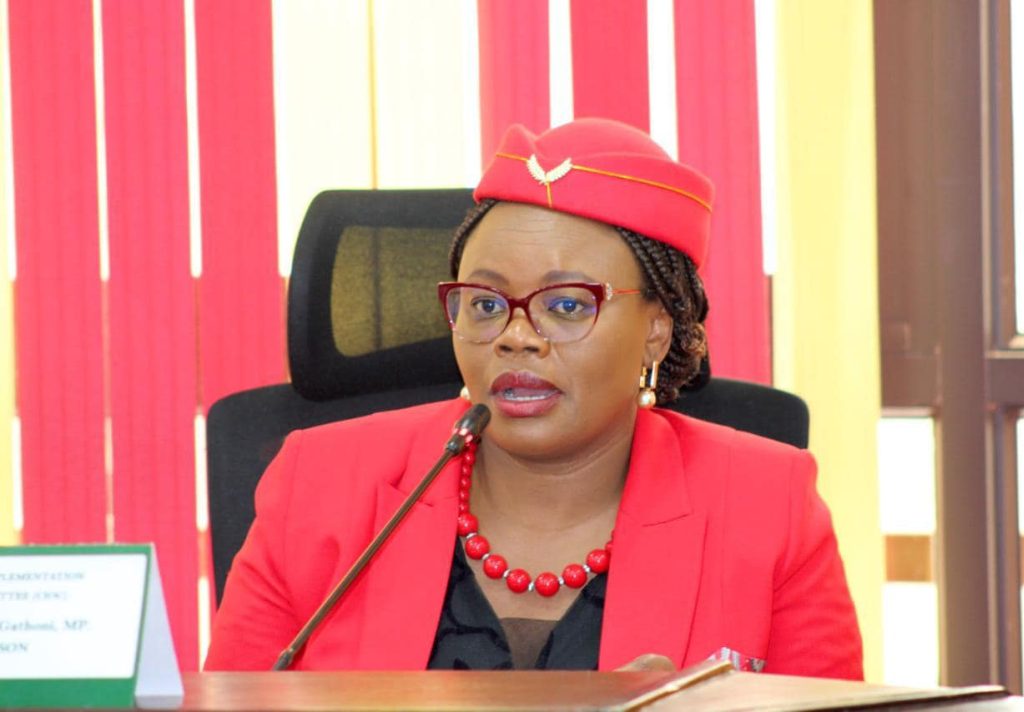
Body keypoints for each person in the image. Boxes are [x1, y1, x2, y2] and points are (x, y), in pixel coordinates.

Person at [205, 118, 863, 677]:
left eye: (567, 305)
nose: (515, 336)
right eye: (486, 304)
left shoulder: (767, 506)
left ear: (656, 331)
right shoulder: (317, 487)